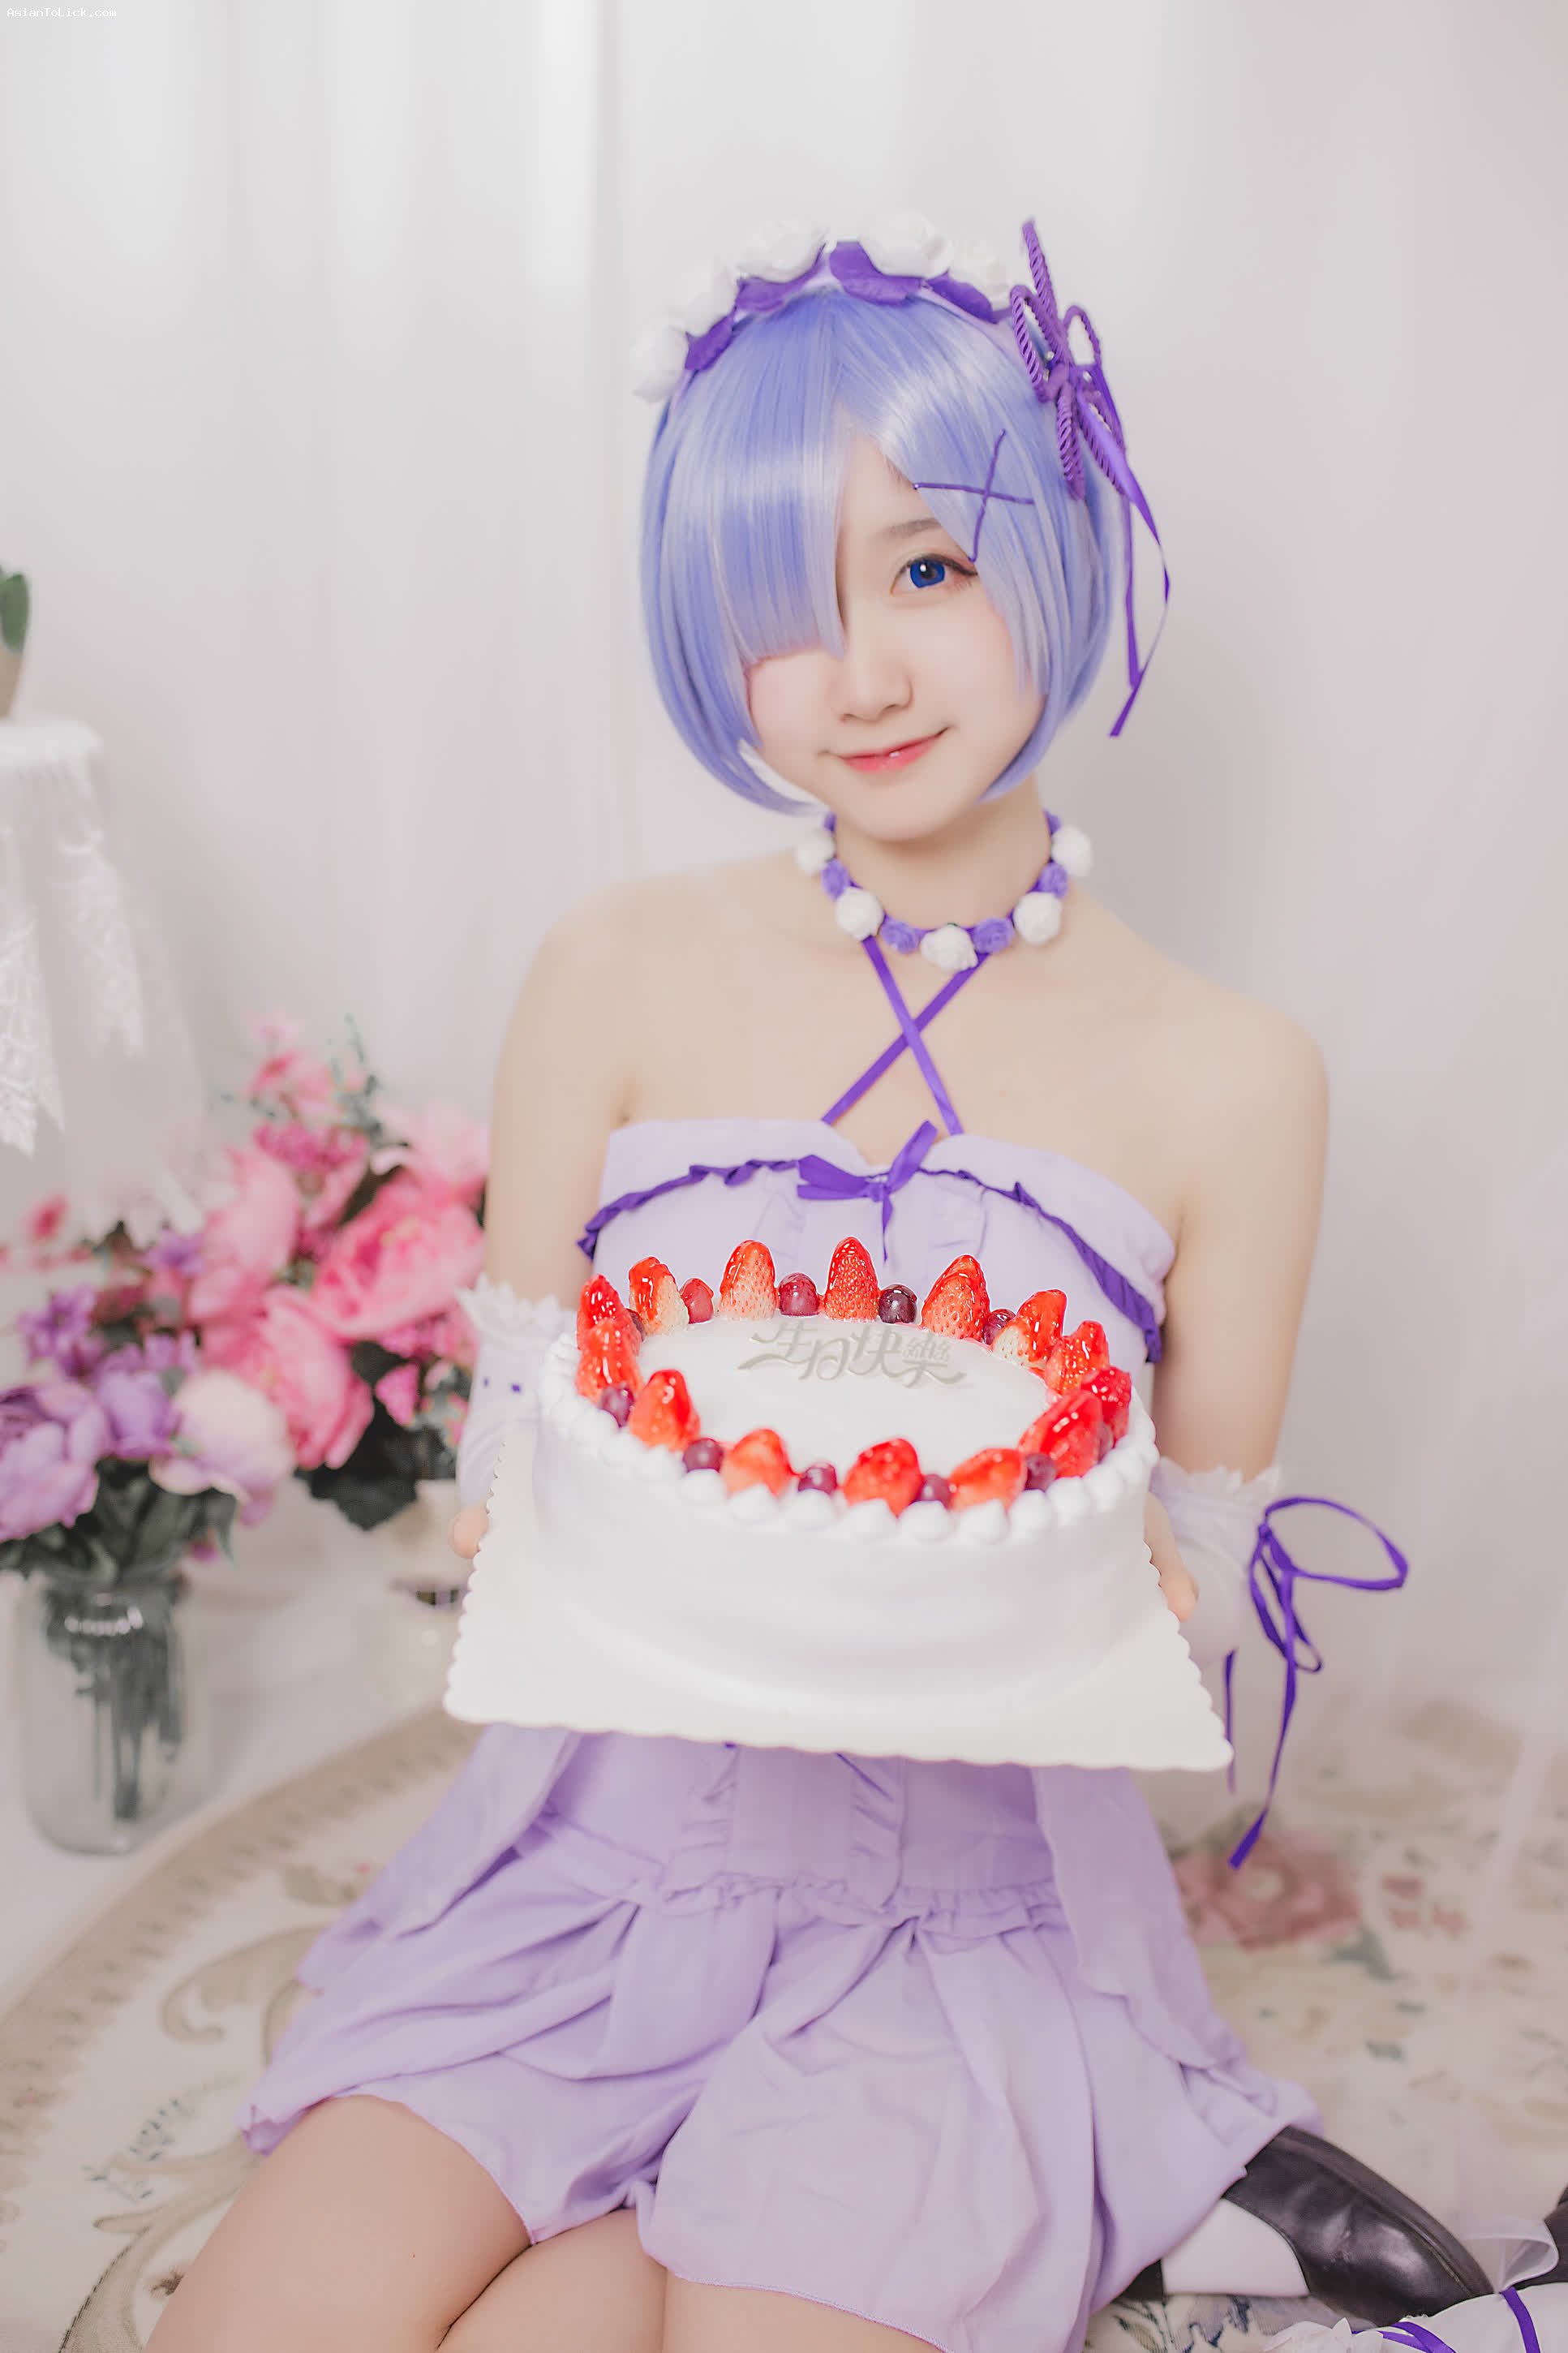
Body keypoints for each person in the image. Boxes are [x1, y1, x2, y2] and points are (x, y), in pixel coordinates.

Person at [151, 216, 1502, 2353]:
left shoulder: (1238, 1078)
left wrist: (1015, 1560)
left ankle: (1044, 2170)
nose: (860, 674)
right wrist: (550, 1508)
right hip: (591, 1869)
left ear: (1056, 540)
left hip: (959, 1933)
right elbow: (520, 1450)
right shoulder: (611, 968)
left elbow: (1188, 1586)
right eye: (780, 610)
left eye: (927, 568)